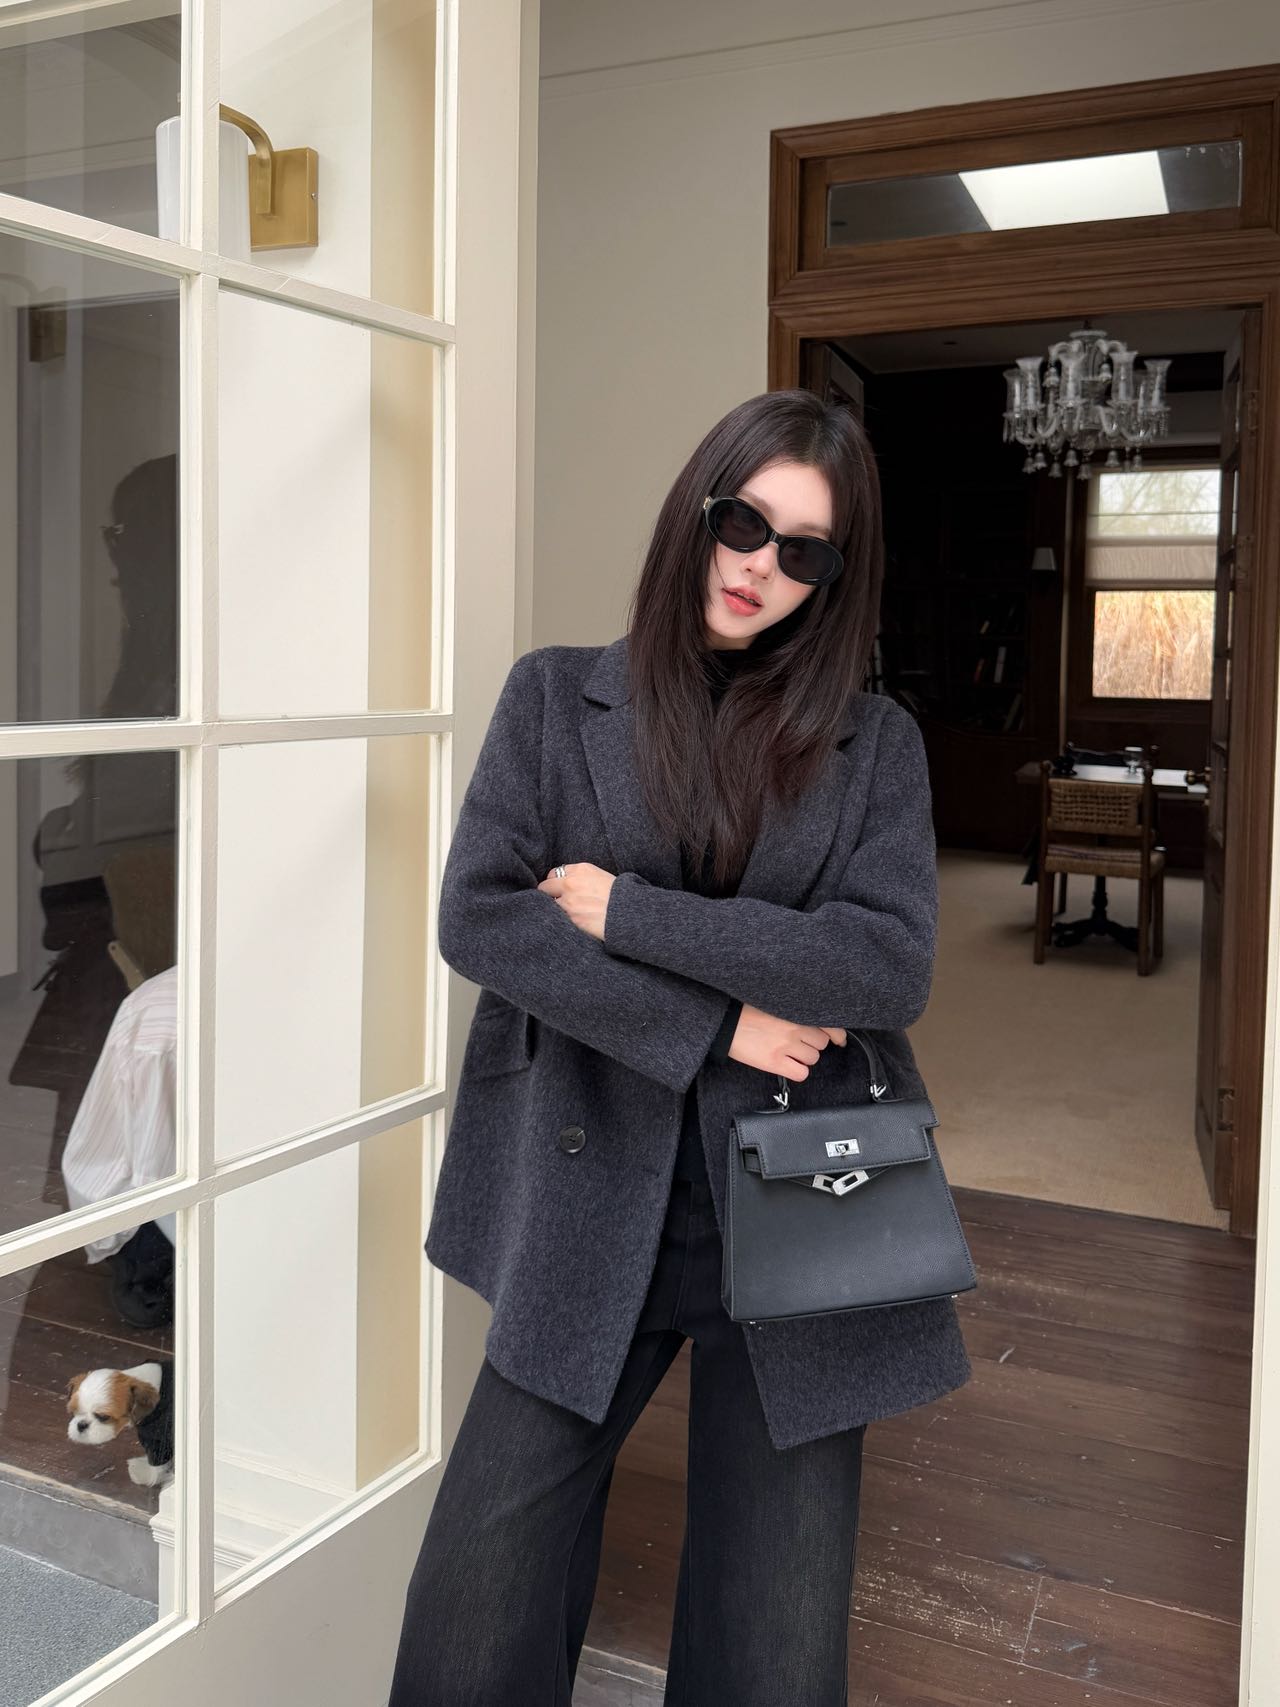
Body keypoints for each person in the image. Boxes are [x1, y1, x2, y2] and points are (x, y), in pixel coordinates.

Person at [388, 388, 972, 1706]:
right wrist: (721, 1022)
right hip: (588, 1174)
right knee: (469, 1618)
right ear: (697, 515)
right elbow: (481, 916)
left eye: (804, 550)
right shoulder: (555, 697)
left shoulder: (877, 744)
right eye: (742, 523)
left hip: (808, 1191)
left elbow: (889, 964)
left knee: (774, 1648)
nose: (761, 564)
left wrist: (629, 912)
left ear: (835, 578)